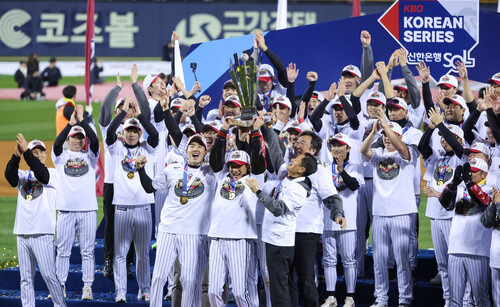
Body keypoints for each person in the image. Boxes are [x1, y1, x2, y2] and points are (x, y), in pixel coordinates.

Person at [137, 134, 216, 307]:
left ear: (205, 151)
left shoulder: (211, 172)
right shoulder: (172, 169)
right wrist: (141, 169)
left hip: (193, 234)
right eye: (192, 146)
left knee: (189, 280)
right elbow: (150, 187)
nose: (195, 149)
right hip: (168, 230)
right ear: (186, 151)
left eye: (200, 146)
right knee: (158, 276)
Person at [207, 115, 267, 306]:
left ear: (247, 167)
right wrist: (223, 131)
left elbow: (259, 161)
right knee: (213, 291)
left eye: (239, 166)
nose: (234, 170)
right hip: (217, 237)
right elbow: (215, 159)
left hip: (241, 239)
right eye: (232, 166)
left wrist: (256, 132)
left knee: (241, 291)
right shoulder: (222, 178)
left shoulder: (254, 179)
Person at [245, 153, 317, 306]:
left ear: (301, 169)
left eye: (296, 159)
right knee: (282, 286)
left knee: (278, 289)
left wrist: (258, 192)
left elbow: (278, 209)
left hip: (280, 243)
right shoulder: (289, 180)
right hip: (274, 239)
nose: (291, 160)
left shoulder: (298, 190)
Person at [105, 97, 159, 303]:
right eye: (129, 131)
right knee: (120, 254)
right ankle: (120, 292)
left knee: (143, 254)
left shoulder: (148, 148)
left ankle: (145, 289)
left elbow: (154, 133)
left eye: (135, 131)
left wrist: (139, 117)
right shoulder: (116, 148)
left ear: (139, 133)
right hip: (122, 208)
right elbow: (110, 132)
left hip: (144, 207)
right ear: (124, 133)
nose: (132, 134)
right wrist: (123, 114)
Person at [4, 135, 66, 307]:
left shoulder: (53, 174)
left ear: (46, 155)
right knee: (25, 278)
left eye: (41, 152)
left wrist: (27, 155)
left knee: (48, 275)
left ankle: (60, 305)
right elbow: (10, 177)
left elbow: (41, 174)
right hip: (22, 233)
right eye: (34, 152)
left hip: (43, 233)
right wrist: (16, 156)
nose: (38, 155)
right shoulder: (23, 176)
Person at [361, 118, 417, 307]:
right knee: (379, 260)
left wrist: (385, 126)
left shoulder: (408, 153)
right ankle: (381, 299)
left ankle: (405, 299)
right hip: (379, 214)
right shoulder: (377, 154)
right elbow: (363, 151)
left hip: (402, 213)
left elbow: (402, 150)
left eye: (389, 134)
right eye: (384, 135)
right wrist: (374, 132)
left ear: (400, 136)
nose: (386, 138)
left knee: (402, 261)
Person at [52, 105, 99, 300]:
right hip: (65, 210)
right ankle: (60, 286)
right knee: (63, 251)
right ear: (68, 139)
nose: (78, 140)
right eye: (74, 137)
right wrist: (71, 125)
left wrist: (82, 123)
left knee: (87, 251)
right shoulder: (60, 157)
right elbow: (56, 144)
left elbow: (95, 141)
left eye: (81, 138)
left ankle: (87, 287)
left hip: (88, 210)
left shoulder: (90, 157)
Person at [439, 159, 492, 307]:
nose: (470, 175)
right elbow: (446, 204)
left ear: (484, 174)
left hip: (478, 251)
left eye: (473, 172)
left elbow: (484, 203)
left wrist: (470, 184)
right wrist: (453, 184)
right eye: (469, 173)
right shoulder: (461, 189)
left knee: (481, 298)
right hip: (455, 248)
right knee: (455, 299)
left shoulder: (490, 189)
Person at [322, 133, 363, 307]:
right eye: (333, 145)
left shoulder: (356, 167)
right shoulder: (324, 168)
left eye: (340, 145)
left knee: (348, 259)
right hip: (328, 219)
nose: (336, 148)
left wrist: (341, 170)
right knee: (329, 259)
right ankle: (331, 297)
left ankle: (350, 298)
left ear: (348, 149)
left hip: (348, 221)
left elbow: (353, 185)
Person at [481, 187, 500, 307]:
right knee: (496, 297)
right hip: (496, 255)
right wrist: (493, 204)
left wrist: (498, 204)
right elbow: (486, 222)